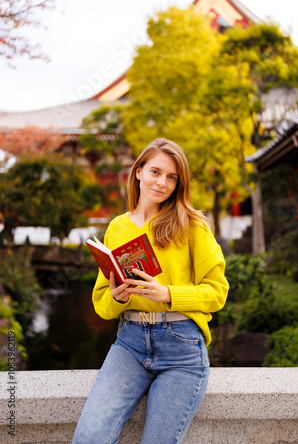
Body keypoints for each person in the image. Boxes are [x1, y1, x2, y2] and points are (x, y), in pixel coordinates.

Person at [72, 138, 229, 444]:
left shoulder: (193, 225)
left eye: (172, 177)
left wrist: (168, 294)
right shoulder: (118, 227)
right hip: (129, 343)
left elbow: (217, 293)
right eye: (156, 172)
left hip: (182, 348)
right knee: (89, 438)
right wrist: (118, 297)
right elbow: (102, 305)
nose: (163, 183)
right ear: (139, 171)